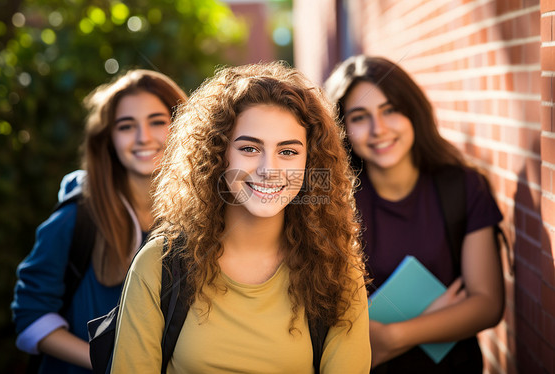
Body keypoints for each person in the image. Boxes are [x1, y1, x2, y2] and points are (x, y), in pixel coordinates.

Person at [110, 61, 371, 373]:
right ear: (218, 155)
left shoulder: (338, 271)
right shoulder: (160, 264)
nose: (268, 169)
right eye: (249, 148)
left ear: (309, 162)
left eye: (288, 152)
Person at [324, 55, 505, 373]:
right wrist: (437, 318)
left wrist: (391, 336)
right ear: (341, 129)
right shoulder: (332, 201)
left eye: (390, 110)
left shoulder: (462, 187)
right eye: (359, 117)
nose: (378, 129)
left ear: (413, 111)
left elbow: (487, 304)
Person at [11, 69, 188, 373]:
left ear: (184, 126)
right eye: (126, 126)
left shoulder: (198, 219)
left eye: (157, 121)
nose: (143, 137)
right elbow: (30, 316)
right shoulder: (77, 216)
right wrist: (108, 363)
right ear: (108, 139)